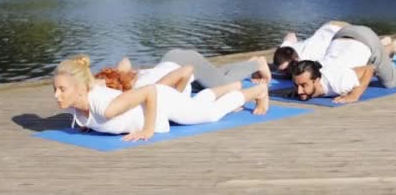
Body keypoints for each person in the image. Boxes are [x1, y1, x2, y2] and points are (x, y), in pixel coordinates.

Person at [53, 55, 270, 142]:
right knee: (195, 106)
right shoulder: (76, 105)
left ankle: (257, 92)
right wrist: (87, 125)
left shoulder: (106, 107)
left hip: (161, 100)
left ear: (81, 89)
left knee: (210, 114)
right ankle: (231, 87)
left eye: (62, 89)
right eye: (56, 89)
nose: (57, 95)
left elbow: (151, 92)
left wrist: (148, 130)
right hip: (157, 102)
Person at [95, 49, 272, 93]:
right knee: (211, 77)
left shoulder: (136, 90)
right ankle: (248, 63)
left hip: (185, 62)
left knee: (224, 85)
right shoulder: (128, 79)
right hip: (172, 57)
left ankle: (259, 64)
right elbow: (124, 61)